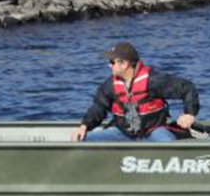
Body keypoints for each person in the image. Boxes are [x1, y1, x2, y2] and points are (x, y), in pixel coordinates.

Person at [72, 42, 200, 142]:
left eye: (112, 62)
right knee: (84, 140)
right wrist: (84, 126)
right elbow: (98, 107)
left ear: (124, 64)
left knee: (168, 145)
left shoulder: (154, 80)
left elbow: (187, 88)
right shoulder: (109, 85)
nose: (109, 66)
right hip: (122, 133)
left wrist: (189, 113)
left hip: (154, 131)